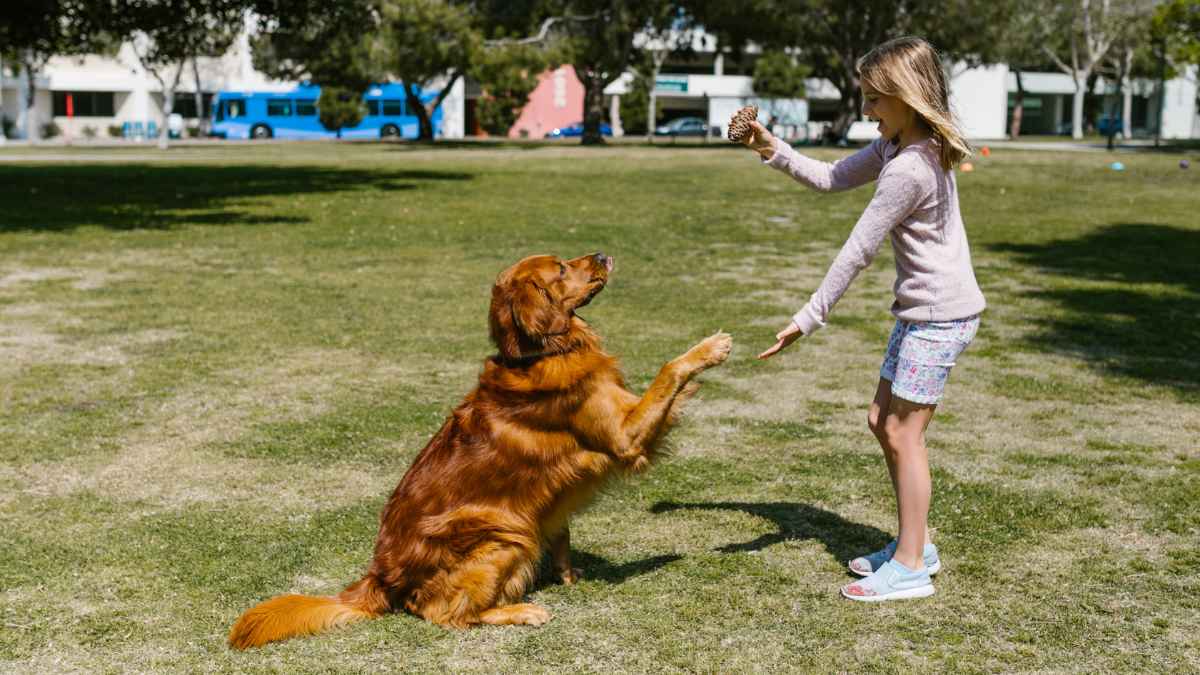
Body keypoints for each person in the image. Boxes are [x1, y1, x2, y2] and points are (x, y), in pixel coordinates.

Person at [738, 36, 986, 602]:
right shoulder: (896, 146)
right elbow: (829, 177)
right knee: (883, 421)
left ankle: (911, 566)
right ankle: (915, 544)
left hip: (940, 317)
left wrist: (808, 317)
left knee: (904, 432)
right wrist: (768, 145)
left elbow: (858, 249)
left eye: (876, 100)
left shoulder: (910, 167)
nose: (867, 110)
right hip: (922, 312)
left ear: (908, 97)